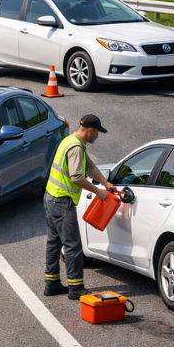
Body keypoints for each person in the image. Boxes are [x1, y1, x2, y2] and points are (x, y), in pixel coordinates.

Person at [43, 114, 116, 300]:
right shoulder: (76, 148)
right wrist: (97, 191)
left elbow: (89, 167)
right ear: (90, 130)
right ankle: (75, 288)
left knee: (54, 242)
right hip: (61, 201)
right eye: (97, 132)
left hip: (50, 197)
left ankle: (51, 284)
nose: (98, 136)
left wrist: (105, 183)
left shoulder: (70, 140)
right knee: (73, 244)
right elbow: (77, 177)